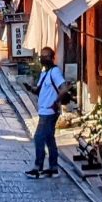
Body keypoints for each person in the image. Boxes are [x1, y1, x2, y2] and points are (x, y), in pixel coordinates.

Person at [27, 48, 68, 179]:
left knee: (39, 137)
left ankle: (38, 167)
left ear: (52, 57)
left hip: (49, 111)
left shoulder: (55, 72)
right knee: (49, 138)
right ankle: (53, 167)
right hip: (44, 110)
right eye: (42, 56)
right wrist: (30, 88)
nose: (43, 59)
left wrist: (56, 101)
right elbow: (38, 90)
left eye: (46, 56)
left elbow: (64, 88)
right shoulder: (45, 72)